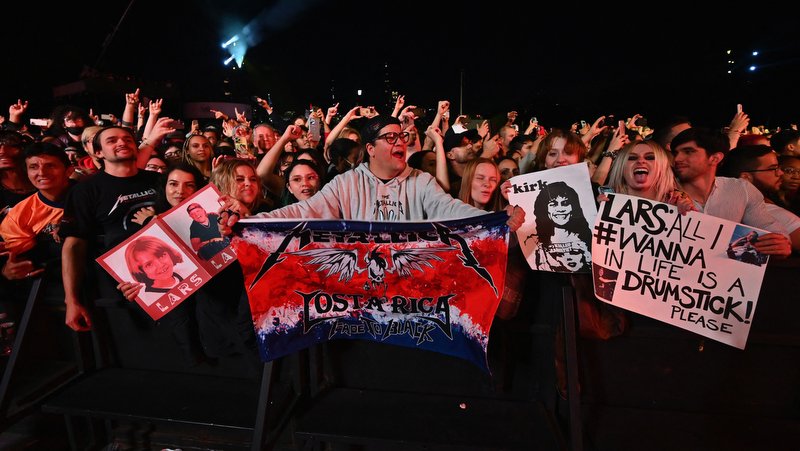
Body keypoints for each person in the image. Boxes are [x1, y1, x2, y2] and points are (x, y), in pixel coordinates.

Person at [219, 115, 525, 230]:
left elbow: (450, 209)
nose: (399, 143)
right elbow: (304, 211)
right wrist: (248, 220)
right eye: (389, 138)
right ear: (370, 149)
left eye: (401, 137)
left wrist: (495, 220)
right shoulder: (346, 184)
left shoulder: (422, 182)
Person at [60, 125, 160, 332]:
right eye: (112, 140)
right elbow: (73, 245)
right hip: (126, 291)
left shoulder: (160, 180)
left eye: (127, 139)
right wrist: (71, 300)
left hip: (174, 276)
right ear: (98, 152)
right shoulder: (85, 191)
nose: (122, 143)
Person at [670, 127, 791, 257]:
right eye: (675, 153)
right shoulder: (662, 190)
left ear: (715, 158)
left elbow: (771, 228)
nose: (677, 159)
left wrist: (780, 244)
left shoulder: (742, 190)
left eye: (688, 152)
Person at [526, 182, 591, 272]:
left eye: (565, 203)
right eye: (553, 204)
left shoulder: (587, 237)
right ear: (545, 209)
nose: (560, 209)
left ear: (573, 207)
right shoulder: (533, 241)